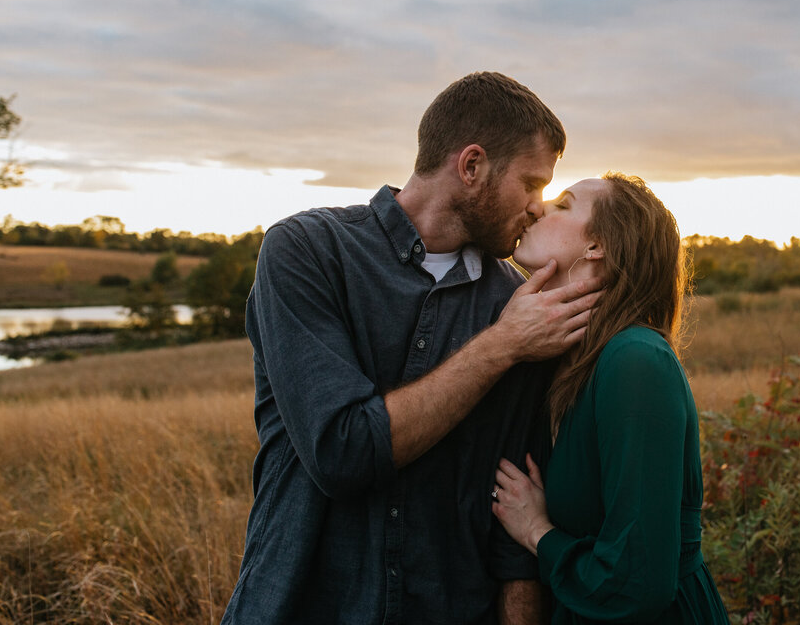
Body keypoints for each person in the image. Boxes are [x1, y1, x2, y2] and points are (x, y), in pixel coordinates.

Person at [220, 72, 601, 625]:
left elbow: (512, 517)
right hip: (301, 607)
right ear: (471, 167)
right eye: (531, 183)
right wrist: (500, 347)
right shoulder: (305, 252)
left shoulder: (519, 305)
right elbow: (341, 450)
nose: (537, 207)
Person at [491, 174, 729, 623]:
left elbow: (638, 581)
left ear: (598, 245)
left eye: (563, 204)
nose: (539, 208)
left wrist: (537, 532)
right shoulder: (566, 362)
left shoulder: (635, 360)